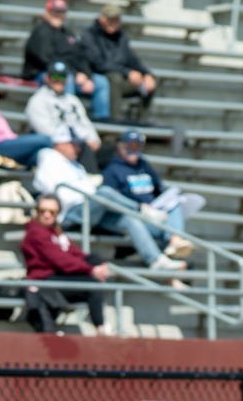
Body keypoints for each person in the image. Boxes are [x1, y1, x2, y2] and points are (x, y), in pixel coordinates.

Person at [33, 139, 181, 272]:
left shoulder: (75, 166)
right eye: (72, 144)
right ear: (60, 144)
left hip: (91, 210)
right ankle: (142, 209)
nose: (77, 148)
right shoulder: (48, 159)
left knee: (128, 219)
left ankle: (155, 259)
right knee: (104, 192)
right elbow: (57, 195)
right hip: (72, 214)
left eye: (77, 144)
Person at [101, 129, 201, 261]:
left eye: (136, 146)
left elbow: (159, 189)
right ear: (121, 146)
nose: (133, 150)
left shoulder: (143, 165)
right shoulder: (112, 170)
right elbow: (109, 199)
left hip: (155, 214)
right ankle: (171, 249)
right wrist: (140, 208)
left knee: (175, 206)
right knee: (167, 228)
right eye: (129, 146)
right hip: (134, 217)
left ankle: (174, 242)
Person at [19, 195, 109, 333]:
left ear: (58, 213)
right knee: (93, 285)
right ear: (36, 212)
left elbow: (75, 253)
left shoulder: (56, 231)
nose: (47, 215)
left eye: (52, 212)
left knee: (94, 267)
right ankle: (101, 329)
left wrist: (99, 263)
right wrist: (91, 270)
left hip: (59, 275)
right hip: (44, 279)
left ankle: (100, 326)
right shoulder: (35, 233)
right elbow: (61, 261)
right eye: (42, 211)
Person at [21, 0, 106, 120]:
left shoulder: (68, 33)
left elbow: (80, 57)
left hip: (72, 74)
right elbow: (46, 61)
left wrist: (88, 77)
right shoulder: (40, 32)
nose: (58, 15)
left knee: (101, 82)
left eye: (61, 12)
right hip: (43, 75)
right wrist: (75, 74)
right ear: (46, 12)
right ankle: (68, 119)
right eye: (54, 11)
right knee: (66, 79)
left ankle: (102, 121)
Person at [80, 4, 157, 123]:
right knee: (115, 79)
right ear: (102, 19)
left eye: (117, 19)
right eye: (111, 19)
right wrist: (127, 72)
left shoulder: (121, 37)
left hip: (120, 77)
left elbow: (133, 60)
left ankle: (143, 123)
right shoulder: (90, 35)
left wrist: (147, 74)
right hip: (96, 77)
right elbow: (98, 64)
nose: (114, 23)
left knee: (150, 83)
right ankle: (115, 123)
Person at [24, 61, 103, 164]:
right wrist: (68, 143)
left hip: (81, 144)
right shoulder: (38, 100)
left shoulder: (73, 100)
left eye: (62, 77)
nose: (59, 80)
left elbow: (85, 123)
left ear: (67, 79)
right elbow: (45, 131)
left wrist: (94, 140)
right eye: (55, 76)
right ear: (46, 78)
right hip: (55, 146)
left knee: (111, 152)